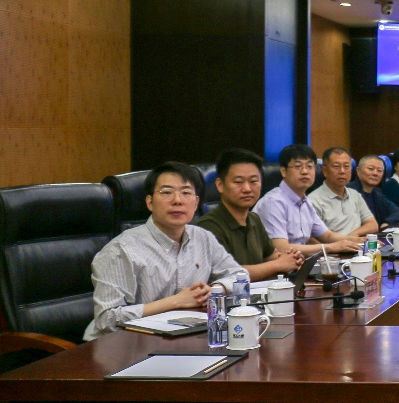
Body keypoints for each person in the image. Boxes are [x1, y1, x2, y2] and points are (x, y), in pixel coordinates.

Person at [84, 162, 248, 341]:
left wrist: (214, 290)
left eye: (186, 193)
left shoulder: (203, 237)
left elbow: (240, 275)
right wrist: (176, 301)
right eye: (167, 192)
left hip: (177, 337)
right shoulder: (120, 251)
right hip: (120, 344)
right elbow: (106, 319)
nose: (177, 200)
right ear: (150, 202)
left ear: (196, 203)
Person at [195, 149, 303, 281]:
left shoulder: (254, 219)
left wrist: (291, 258)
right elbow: (227, 273)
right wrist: (279, 264)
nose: (247, 189)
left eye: (253, 181)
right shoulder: (208, 226)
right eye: (238, 182)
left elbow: (271, 256)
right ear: (220, 185)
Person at [254, 144, 363, 257]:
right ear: (283, 171)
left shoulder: (305, 202)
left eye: (310, 166)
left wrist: (359, 241)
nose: (305, 171)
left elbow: (327, 236)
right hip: (278, 265)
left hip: (300, 262)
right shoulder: (273, 203)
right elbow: (282, 248)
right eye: (298, 166)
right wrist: (330, 247)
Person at [309, 147, 378, 238]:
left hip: (356, 244)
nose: (342, 171)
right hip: (334, 246)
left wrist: (352, 236)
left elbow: (373, 224)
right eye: (336, 166)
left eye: (346, 166)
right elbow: (311, 238)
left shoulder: (355, 195)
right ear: (324, 171)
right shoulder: (313, 201)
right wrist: (345, 241)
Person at [349, 154, 399, 230]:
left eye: (379, 170)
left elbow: (397, 212)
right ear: (358, 171)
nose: (375, 173)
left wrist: (387, 223)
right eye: (371, 169)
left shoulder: (378, 193)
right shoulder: (349, 191)